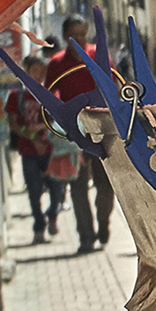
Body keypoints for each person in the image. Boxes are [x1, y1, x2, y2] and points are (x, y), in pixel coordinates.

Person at [44, 13, 116, 253]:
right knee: (78, 187)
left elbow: (114, 85)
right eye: (72, 34)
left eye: (82, 34)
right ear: (65, 36)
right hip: (75, 134)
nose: (78, 38)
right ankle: (86, 236)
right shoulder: (56, 63)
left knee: (106, 186)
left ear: (88, 33)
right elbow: (50, 95)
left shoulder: (100, 56)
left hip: (103, 130)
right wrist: (57, 122)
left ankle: (103, 225)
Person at [6, 52, 65, 243]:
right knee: (33, 190)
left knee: (57, 189)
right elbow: (14, 124)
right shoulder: (17, 95)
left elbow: (56, 118)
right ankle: (39, 225)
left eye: (42, 72)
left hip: (50, 150)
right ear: (26, 72)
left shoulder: (51, 93)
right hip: (28, 151)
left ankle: (53, 214)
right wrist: (32, 137)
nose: (38, 75)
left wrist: (40, 128)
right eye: (34, 71)